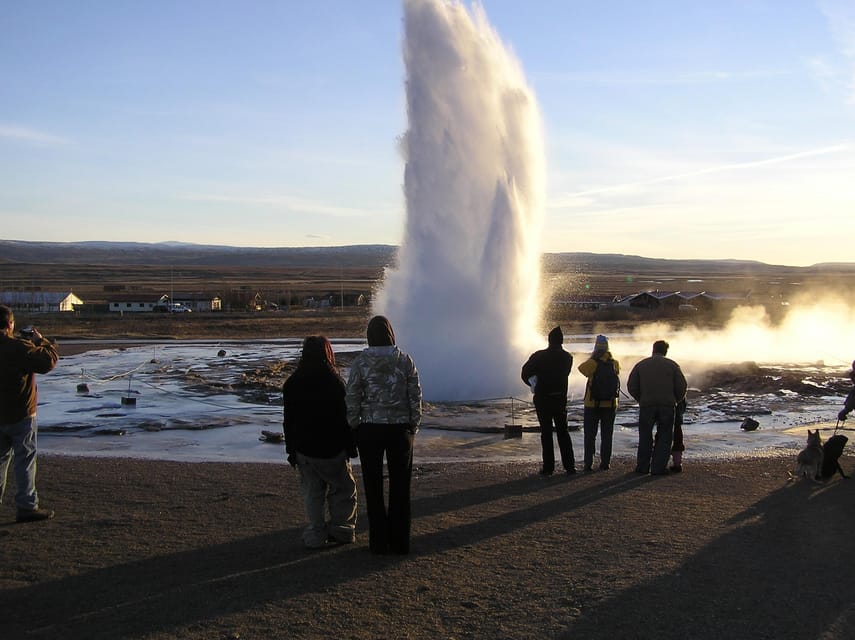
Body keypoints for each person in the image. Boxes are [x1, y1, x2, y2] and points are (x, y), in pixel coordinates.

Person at [346, 316, 422, 555]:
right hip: (400, 430)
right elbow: (415, 395)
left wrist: (354, 425)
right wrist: (413, 425)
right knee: (401, 487)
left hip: (370, 430)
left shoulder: (361, 362)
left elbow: (352, 397)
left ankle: (378, 542)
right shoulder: (405, 360)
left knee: (373, 485)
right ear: (391, 334)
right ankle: (400, 542)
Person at [282, 335, 358, 549]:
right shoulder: (335, 383)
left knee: (312, 495)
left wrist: (291, 450)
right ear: (328, 353)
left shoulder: (292, 383)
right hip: (333, 449)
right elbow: (345, 420)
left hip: (305, 450)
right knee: (343, 490)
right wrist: (350, 447)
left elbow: (289, 421)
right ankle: (342, 530)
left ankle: (315, 535)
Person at [0, 305, 59, 522]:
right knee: (24, 460)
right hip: (21, 414)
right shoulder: (18, 347)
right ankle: (26, 506)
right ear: (10, 324)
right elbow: (47, 362)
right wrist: (43, 342)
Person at [627, 340, 687, 476]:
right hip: (667, 406)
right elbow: (682, 387)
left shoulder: (641, 365)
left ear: (653, 349)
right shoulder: (672, 366)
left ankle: (642, 467)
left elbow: (631, 386)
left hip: (646, 405)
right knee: (665, 437)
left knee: (645, 436)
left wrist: (641, 399)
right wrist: (675, 400)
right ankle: (658, 468)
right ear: (665, 351)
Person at [521, 326, 576, 476]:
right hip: (559, 399)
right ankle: (569, 466)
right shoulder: (568, 358)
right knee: (563, 432)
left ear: (549, 340)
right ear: (561, 341)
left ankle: (548, 467)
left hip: (543, 399)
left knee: (546, 433)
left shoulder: (538, 356)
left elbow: (524, 373)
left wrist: (534, 384)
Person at [577, 334, 620, 471]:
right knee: (607, 435)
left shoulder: (592, 363)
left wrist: (593, 357)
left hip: (592, 404)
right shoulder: (615, 363)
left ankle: (588, 463)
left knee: (590, 435)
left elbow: (581, 369)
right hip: (611, 404)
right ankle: (605, 463)